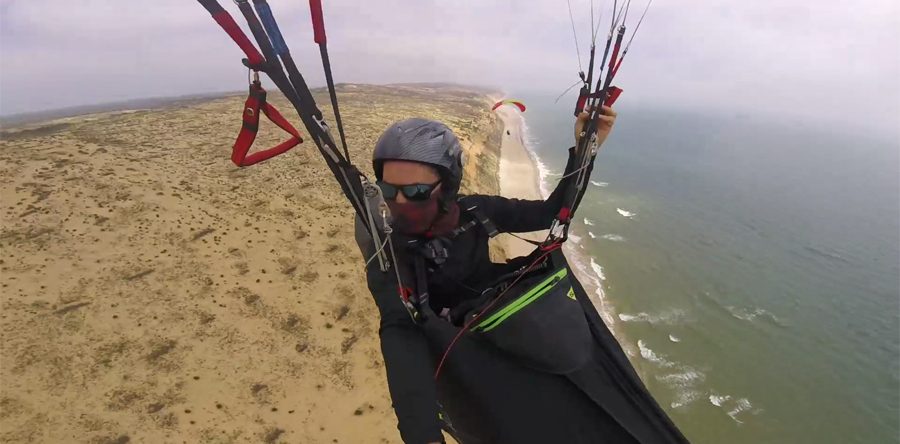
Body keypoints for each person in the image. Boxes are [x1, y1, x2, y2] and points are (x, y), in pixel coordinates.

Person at [355, 107, 623, 444]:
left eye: (417, 192)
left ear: (447, 185)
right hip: (466, 362)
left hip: (508, 329)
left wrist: (586, 148)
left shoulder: (474, 213)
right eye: (389, 190)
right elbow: (398, 332)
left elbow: (554, 213)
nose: (401, 202)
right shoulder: (391, 254)